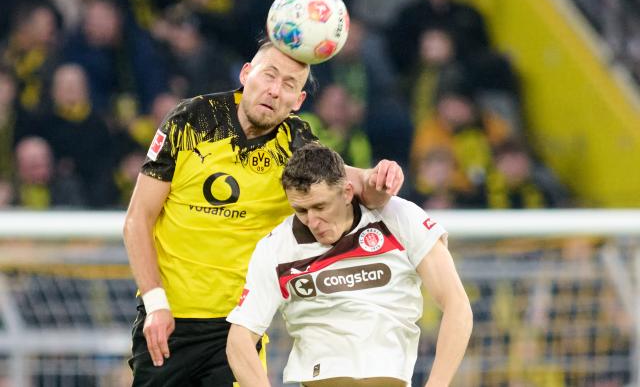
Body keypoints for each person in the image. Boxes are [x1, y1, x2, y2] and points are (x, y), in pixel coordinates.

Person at [123, 41, 404, 386]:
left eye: (289, 85)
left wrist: (382, 177)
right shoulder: (191, 120)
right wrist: (155, 304)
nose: (274, 90)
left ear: (298, 101)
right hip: (168, 321)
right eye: (269, 76)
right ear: (246, 74)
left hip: (239, 329)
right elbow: (138, 217)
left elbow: (353, 184)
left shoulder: (295, 141)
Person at [226, 142, 472, 387]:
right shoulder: (276, 247)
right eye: (300, 210)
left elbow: (457, 304)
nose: (312, 221)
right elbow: (239, 340)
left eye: (320, 206)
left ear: (346, 192)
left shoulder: (398, 218)